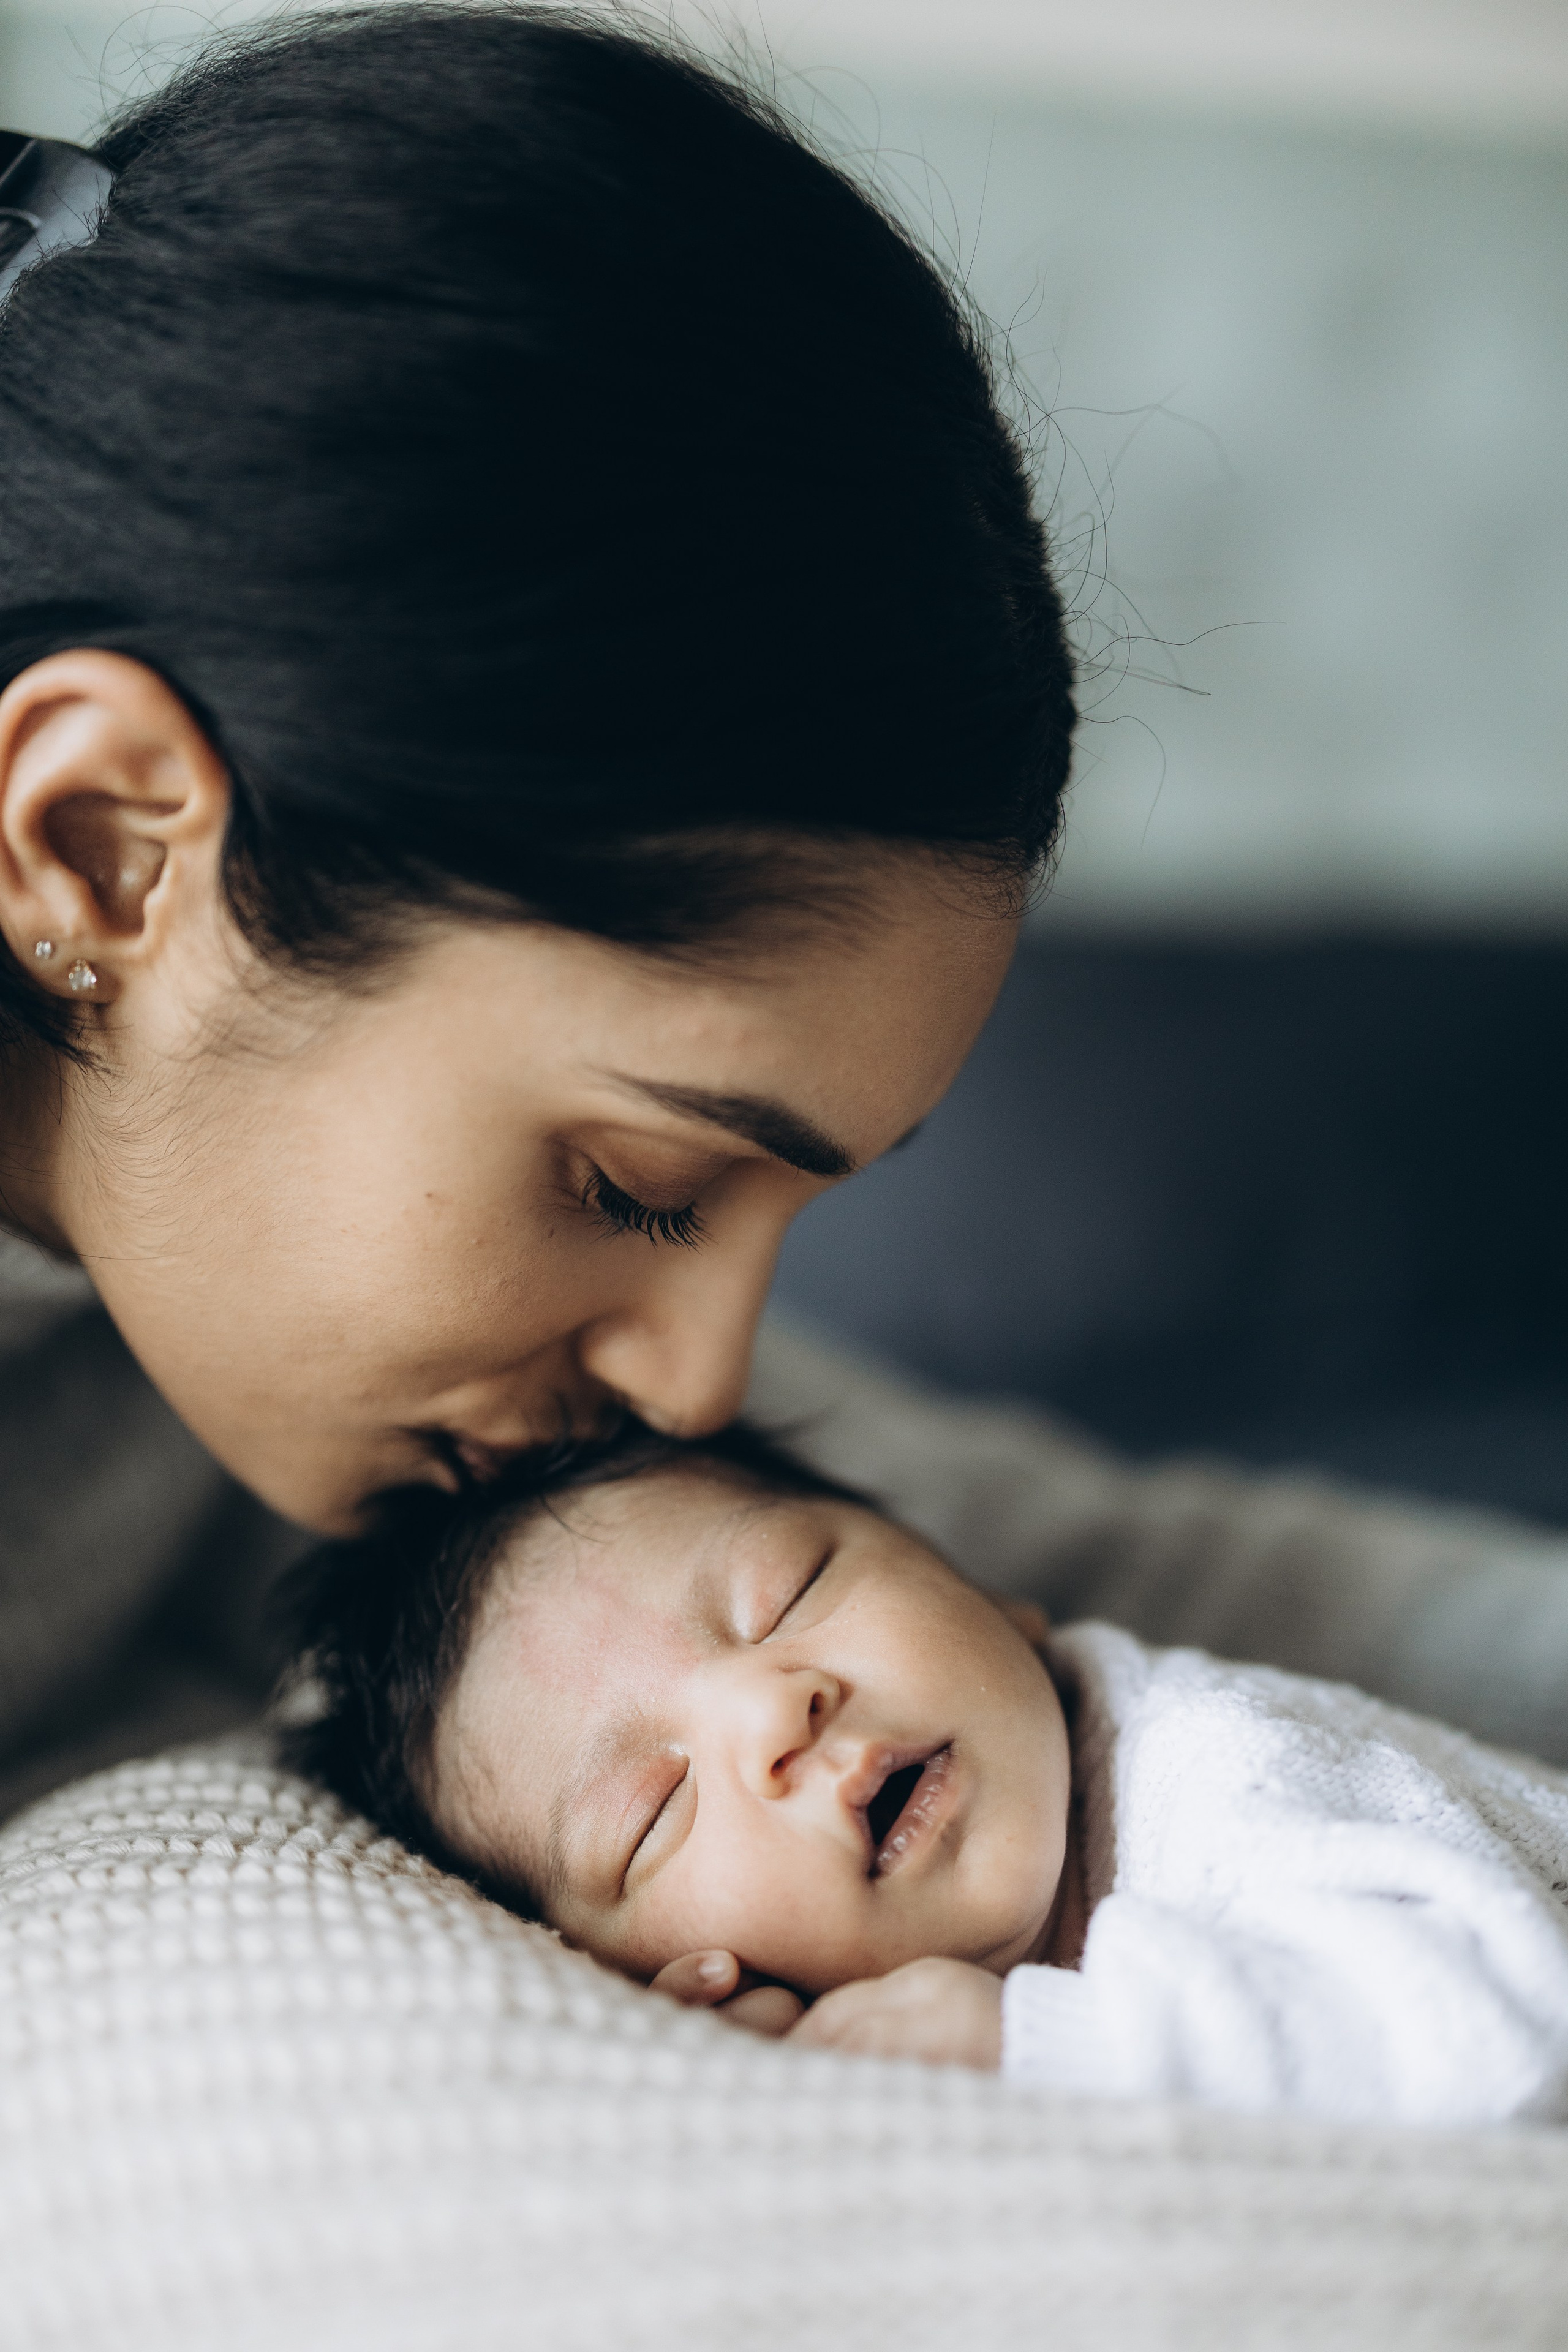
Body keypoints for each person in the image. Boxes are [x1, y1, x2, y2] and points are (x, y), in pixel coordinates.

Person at [0, 8, 1072, 1808]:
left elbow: (1050, 1542)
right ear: (104, 851)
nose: (700, 1390)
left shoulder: (232, 1271)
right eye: (634, 1189)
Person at [287, 1417, 1568, 2126]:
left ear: (998, 1606)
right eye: (653, 1809)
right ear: (657, 1976)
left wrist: (1032, 2037)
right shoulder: (874, 2063)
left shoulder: (1226, 1769)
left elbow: (1490, 2023)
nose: (772, 1709)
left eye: (791, 1589)